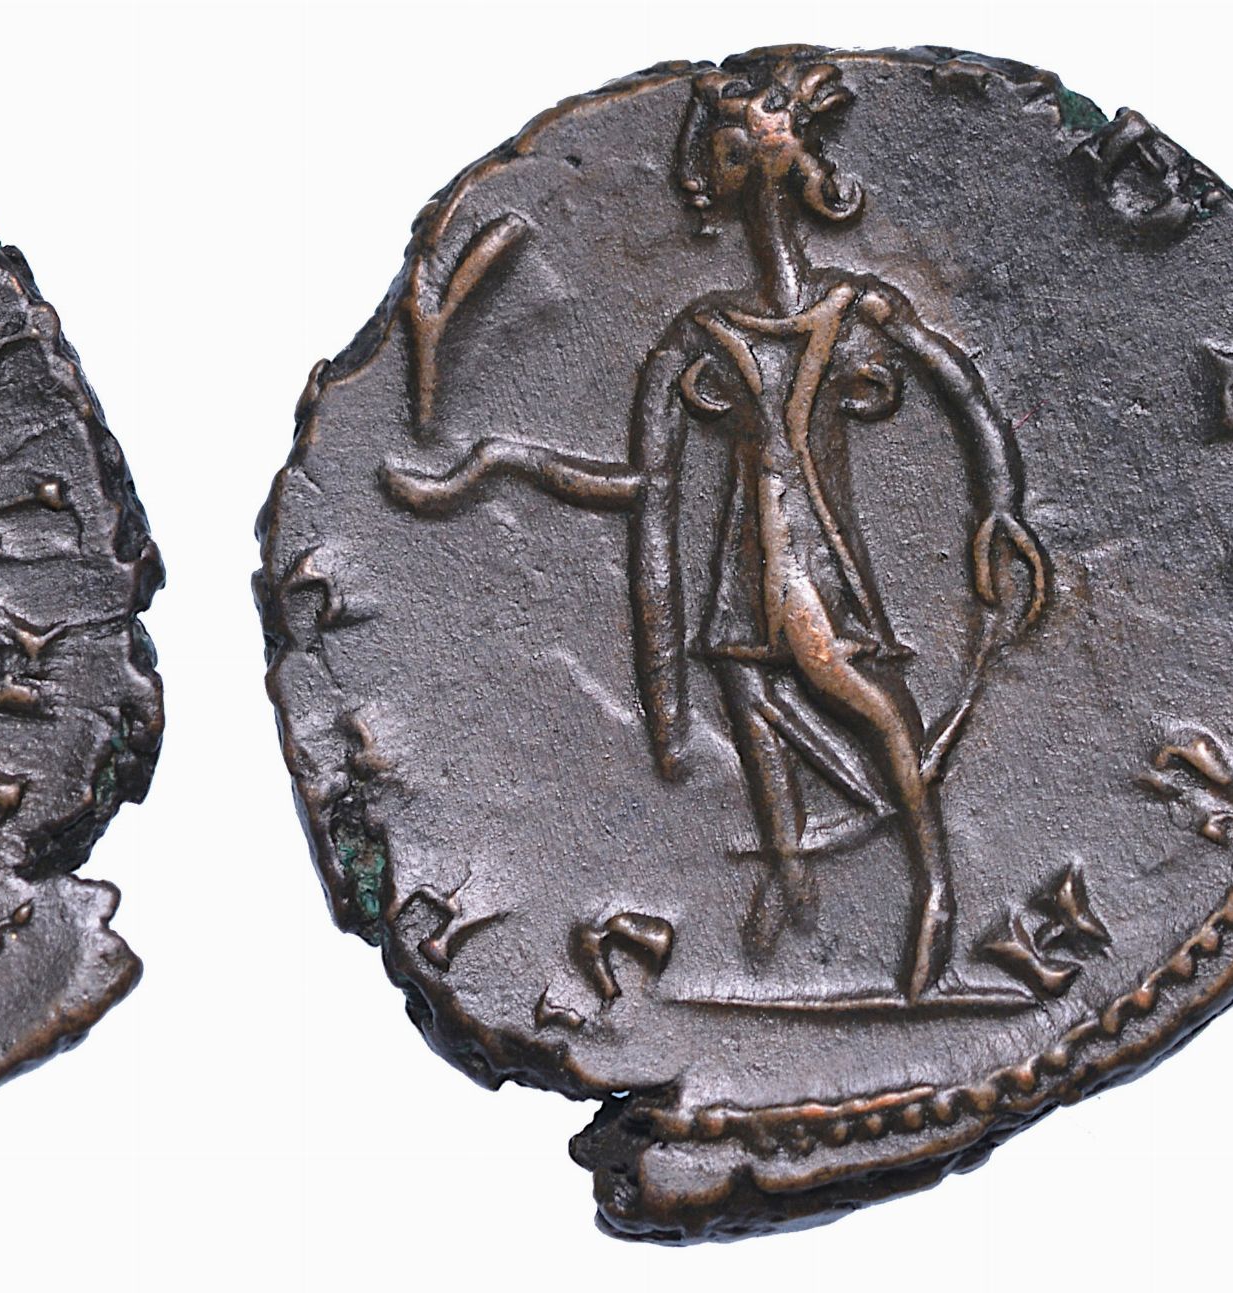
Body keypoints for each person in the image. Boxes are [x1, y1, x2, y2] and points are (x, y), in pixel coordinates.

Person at [383, 54, 1048, 1003]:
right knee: (769, 729)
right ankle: (790, 912)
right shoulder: (701, 330)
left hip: (810, 565)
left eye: (732, 150)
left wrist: (1002, 505)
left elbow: (961, 390)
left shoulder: (851, 306)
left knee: (859, 697)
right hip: (744, 577)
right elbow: (643, 487)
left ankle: (932, 887)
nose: (711, 173)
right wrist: (505, 462)